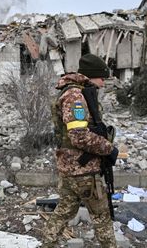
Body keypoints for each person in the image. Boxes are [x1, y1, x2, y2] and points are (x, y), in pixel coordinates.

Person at [43, 54, 119, 248]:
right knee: (102, 217)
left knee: (64, 211)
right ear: (91, 75)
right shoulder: (75, 96)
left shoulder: (78, 92)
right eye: (102, 77)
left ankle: (47, 244)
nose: (103, 83)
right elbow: (79, 136)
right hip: (82, 171)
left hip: (72, 169)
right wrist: (108, 148)